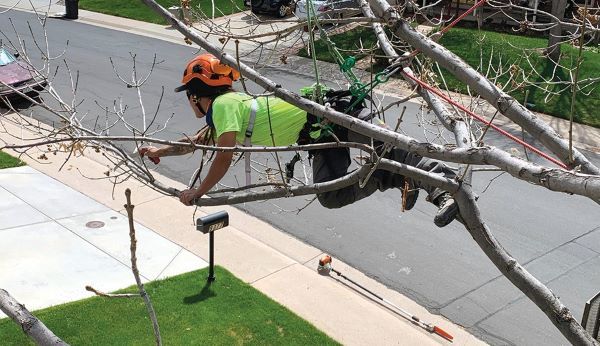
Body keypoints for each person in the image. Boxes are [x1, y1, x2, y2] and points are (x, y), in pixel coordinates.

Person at [139, 53, 459, 227]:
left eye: (189, 95)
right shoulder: (225, 112)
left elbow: (222, 157)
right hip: (315, 136)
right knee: (330, 195)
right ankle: (388, 177)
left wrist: (198, 191)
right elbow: (197, 143)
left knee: (390, 149)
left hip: (328, 114)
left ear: (196, 94)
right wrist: (159, 152)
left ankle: (444, 187)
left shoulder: (224, 106)